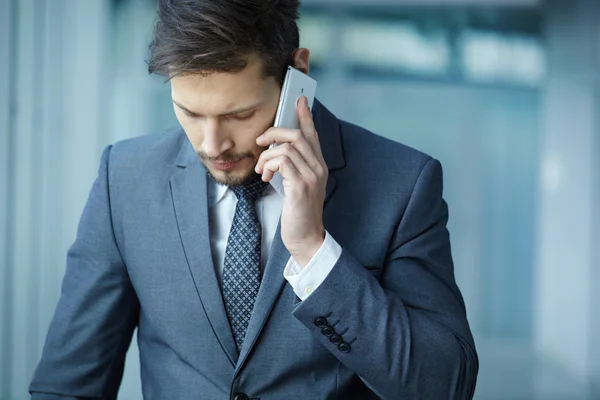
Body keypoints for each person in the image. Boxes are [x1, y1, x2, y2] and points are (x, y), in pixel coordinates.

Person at [29, 0, 478, 399]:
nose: (212, 144)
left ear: (298, 73)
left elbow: (444, 385)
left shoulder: (403, 183)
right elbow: (68, 383)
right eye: (189, 111)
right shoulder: (124, 179)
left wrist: (315, 252)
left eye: (239, 114)